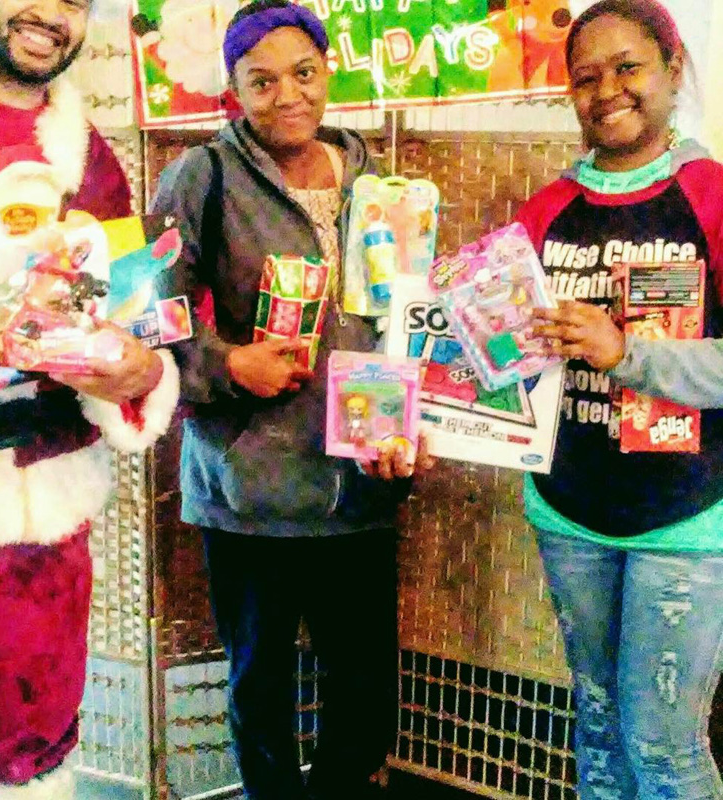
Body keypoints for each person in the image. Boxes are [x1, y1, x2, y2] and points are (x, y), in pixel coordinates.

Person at [150, 2, 432, 798]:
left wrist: (417, 421)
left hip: (360, 484)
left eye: (303, 73)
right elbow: (149, 311)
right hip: (250, 493)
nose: (287, 96)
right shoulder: (201, 176)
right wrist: (229, 364)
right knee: (261, 691)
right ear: (234, 90)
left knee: (367, 698)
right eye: (262, 81)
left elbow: (410, 319)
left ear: (327, 71)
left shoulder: (380, 183)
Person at [0, 2, 180, 798]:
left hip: (42, 519)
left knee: (29, 758)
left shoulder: (93, 159)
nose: (48, 14)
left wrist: (138, 377)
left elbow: (131, 319)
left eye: (74, 0)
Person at [515, 2, 723, 798]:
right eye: (586, 77)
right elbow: (504, 365)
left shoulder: (711, 196)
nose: (607, 90)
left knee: (662, 748)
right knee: (598, 732)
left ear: (673, 68)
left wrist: (626, 353)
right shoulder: (546, 211)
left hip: (687, 517)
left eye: (628, 67)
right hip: (568, 509)